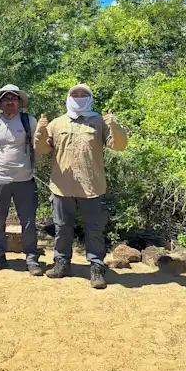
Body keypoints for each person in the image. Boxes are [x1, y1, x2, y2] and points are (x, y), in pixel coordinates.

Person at [35, 83, 128, 289]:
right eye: (74, 94)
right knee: (62, 228)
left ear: (90, 98)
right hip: (61, 186)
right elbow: (42, 150)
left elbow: (119, 146)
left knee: (94, 229)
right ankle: (61, 263)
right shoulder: (57, 123)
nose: (78, 97)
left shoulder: (99, 122)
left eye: (83, 94)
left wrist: (116, 126)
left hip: (92, 186)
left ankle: (96, 267)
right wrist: (40, 131)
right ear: (69, 98)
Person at [0, 85, 44, 276]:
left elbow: (38, 147)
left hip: (25, 179)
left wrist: (30, 168)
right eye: (5, 99)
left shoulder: (29, 121)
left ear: (19, 102)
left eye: (13, 98)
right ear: (0, 103)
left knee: (28, 220)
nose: (10, 101)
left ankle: (32, 258)